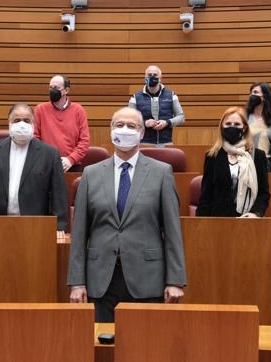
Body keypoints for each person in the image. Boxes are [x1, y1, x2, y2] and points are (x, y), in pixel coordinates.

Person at [68, 107, 186, 322]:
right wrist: (77, 282)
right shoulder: (91, 174)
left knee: (145, 341)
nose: (124, 130)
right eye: (119, 125)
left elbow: (172, 232)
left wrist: (175, 280)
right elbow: (79, 233)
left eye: (132, 126)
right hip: (100, 280)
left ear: (142, 133)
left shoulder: (161, 173)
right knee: (101, 341)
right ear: (111, 129)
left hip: (147, 278)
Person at [0, 103, 70, 234]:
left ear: (33, 124)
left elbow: (59, 194)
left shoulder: (50, 154)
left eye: (26, 120)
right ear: (9, 124)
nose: (22, 124)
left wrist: (59, 227)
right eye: (16, 120)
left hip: (35, 227)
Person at [197, 106, 270, 218]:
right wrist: (201, 223)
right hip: (217, 220)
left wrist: (255, 213)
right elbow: (206, 194)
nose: (232, 127)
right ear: (222, 127)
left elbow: (263, 193)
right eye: (228, 124)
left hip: (247, 220)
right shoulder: (212, 156)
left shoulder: (257, 157)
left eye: (237, 124)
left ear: (244, 128)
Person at [34, 74, 90, 172]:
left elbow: (84, 141)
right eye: (50, 87)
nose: (52, 90)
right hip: (46, 164)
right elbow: (35, 138)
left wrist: (71, 159)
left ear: (66, 90)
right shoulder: (40, 109)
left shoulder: (78, 110)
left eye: (56, 88)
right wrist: (46, 158)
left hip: (72, 166)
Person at [128, 65, 185, 147]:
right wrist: (145, 123)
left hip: (166, 143)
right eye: (149, 75)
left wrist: (167, 123)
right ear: (145, 78)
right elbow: (130, 120)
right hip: (144, 143)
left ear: (160, 78)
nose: (152, 77)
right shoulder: (135, 97)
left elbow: (181, 117)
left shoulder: (172, 95)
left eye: (155, 75)